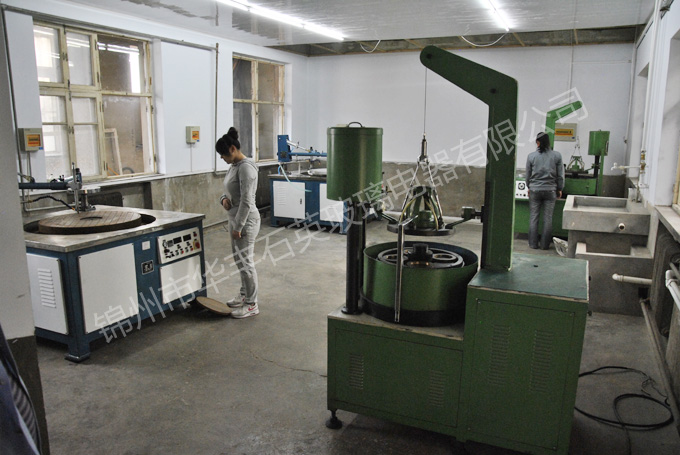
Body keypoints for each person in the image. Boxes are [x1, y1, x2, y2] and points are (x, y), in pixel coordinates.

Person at [216, 127, 261, 318]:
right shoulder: (234, 166)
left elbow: (247, 200)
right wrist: (223, 199)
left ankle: (251, 304)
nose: (222, 158)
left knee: (246, 262)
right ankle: (244, 294)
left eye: (223, 154)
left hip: (245, 222)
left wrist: (239, 226)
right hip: (235, 219)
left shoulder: (246, 168)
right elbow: (229, 190)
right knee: (239, 260)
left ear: (233, 149)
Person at [526, 131, 564, 250]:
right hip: (550, 191)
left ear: (537, 143)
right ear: (548, 143)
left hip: (535, 190)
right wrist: (560, 188)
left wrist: (529, 187)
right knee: (548, 219)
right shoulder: (557, 156)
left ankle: (533, 244)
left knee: (534, 217)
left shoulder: (531, 156)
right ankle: (544, 245)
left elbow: (528, 175)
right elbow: (560, 175)